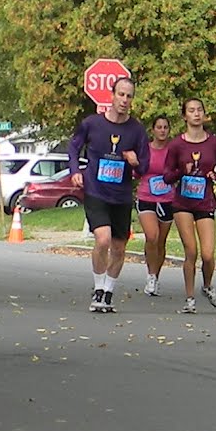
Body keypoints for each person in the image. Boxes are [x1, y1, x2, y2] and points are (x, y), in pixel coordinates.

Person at [68, 76, 148, 314]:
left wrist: (135, 162)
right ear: (112, 96)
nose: (124, 100)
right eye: (121, 94)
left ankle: (108, 292)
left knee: (119, 248)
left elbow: (144, 167)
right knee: (102, 240)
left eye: (129, 96)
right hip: (96, 190)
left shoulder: (136, 130)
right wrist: (75, 171)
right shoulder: (93, 124)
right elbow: (74, 146)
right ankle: (98, 289)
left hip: (121, 195)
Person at [163, 98, 216, 313]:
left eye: (199, 110)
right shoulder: (176, 145)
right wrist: (180, 172)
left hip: (205, 201)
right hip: (182, 202)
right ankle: (190, 299)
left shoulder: (214, 143)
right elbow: (166, 176)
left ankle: (207, 286)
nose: (196, 114)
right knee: (191, 250)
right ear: (184, 116)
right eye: (191, 111)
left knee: (209, 254)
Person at [137, 114, 175, 296]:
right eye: (159, 127)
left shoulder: (173, 150)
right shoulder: (145, 149)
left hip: (167, 199)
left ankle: (156, 276)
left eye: (165, 127)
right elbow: (137, 170)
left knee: (161, 241)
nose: (162, 130)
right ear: (153, 130)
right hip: (146, 196)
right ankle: (151, 276)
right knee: (152, 236)